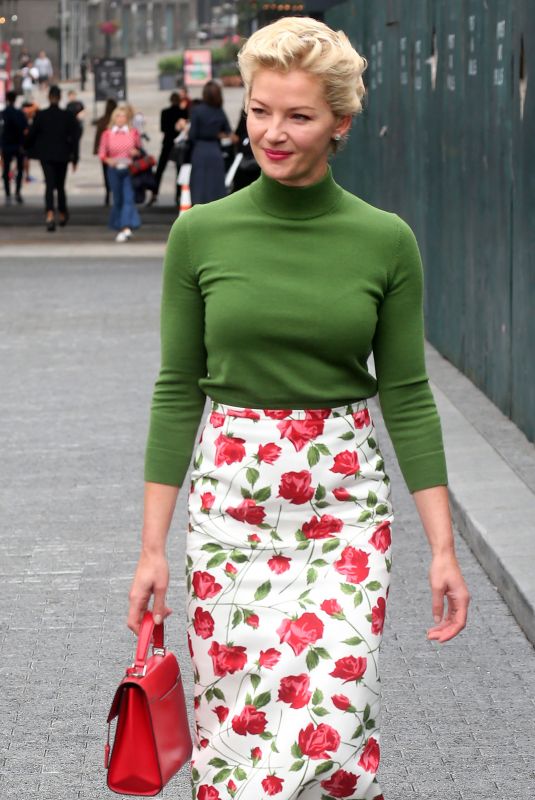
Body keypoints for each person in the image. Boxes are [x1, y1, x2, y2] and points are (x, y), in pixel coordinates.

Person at [127, 17, 470, 800]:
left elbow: (408, 394)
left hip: (344, 506)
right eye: (259, 110)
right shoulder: (201, 234)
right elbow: (178, 386)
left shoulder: (385, 241)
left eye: (298, 115)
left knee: (335, 711)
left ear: (341, 123)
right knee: (238, 723)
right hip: (230, 507)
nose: (271, 133)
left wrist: (441, 546)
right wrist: (151, 548)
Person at [24, 85, 79, 231]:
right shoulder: (67, 116)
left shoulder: (41, 115)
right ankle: (62, 212)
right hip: (62, 155)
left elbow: (31, 135)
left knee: (49, 184)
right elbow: (74, 137)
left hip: (46, 155)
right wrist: (75, 158)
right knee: (60, 186)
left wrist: (26, 148)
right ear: (60, 97)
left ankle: (49, 213)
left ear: (49, 97)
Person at [98, 105, 142, 242]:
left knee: (129, 198)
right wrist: (108, 160)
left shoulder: (133, 132)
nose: (120, 119)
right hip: (114, 169)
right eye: (118, 116)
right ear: (113, 118)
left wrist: (136, 152)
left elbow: (139, 150)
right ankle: (118, 224)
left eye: (123, 116)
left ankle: (125, 227)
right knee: (118, 199)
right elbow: (102, 153)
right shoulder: (107, 134)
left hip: (129, 169)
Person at [187, 80, 235, 204]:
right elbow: (229, 131)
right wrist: (217, 135)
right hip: (215, 151)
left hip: (200, 151)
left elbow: (192, 135)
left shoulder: (197, 110)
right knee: (216, 188)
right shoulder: (219, 111)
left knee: (199, 187)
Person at [147, 89, 190, 205]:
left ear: (170, 100)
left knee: (160, 169)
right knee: (179, 170)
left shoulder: (165, 112)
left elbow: (163, 129)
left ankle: (154, 193)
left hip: (167, 143)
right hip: (179, 144)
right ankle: (178, 195)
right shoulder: (184, 112)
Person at [1, 91, 27, 205]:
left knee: (6, 170)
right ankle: (17, 191)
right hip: (18, 144)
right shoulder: (19, 113)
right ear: (15, 99)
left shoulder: (3, 114)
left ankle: (7, 194)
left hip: (6, 145)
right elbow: (25, 129)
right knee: (20, 169)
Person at [93, 97, 117, 206]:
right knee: (117, 174)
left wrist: (96, 149)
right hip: (117, 152)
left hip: (105, 153)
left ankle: (108, 192)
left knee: (106, 173)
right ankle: (115, 192)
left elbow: (98, 136)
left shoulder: (103, 120)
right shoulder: (118, 120)